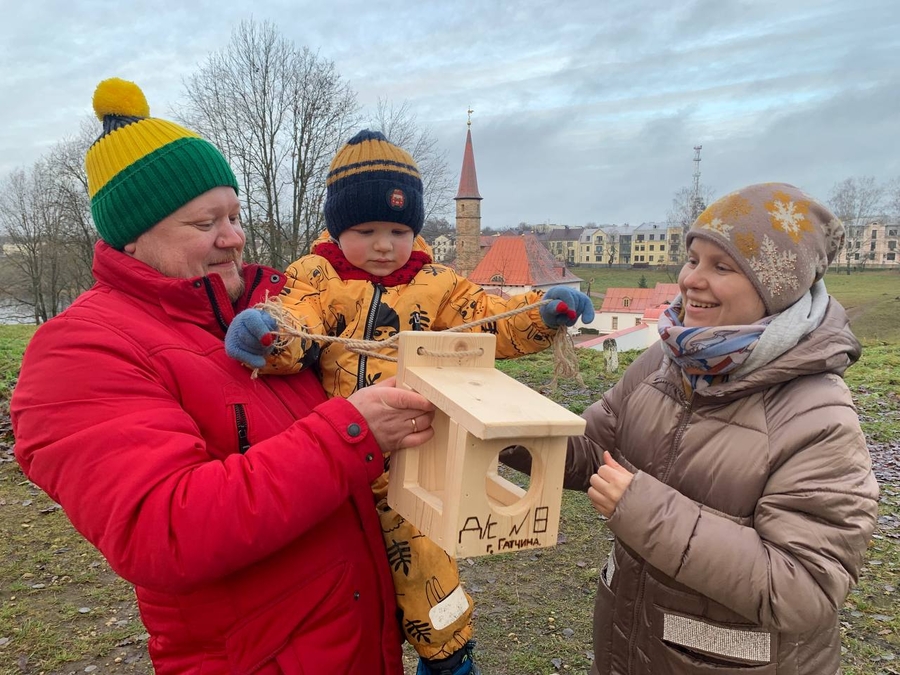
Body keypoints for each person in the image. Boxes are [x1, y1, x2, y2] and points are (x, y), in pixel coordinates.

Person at [11, 78, 439, 675]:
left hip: (356, 641)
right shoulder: (80, 351)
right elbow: (163, 530)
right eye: (205, 222)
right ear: (134, 236)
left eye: (235, 214)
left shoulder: (272, 318)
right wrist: (352, 432)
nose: (234, 237)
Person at [224, 129, 596, 675]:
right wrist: (270, 336)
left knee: (427, 566)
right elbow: (296, 322)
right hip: (339, 455)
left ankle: (449, 658)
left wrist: (541, 314)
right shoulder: (317, 278)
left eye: (398, 230)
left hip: (420, 455)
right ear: (337, 226)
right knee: (338, 578)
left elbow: (489, 316)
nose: (383, 245)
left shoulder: (436, 283)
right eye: (366, 230)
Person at [504, 183, 879, 674]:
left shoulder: (818, 416)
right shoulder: (667, 360)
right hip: (629, 644)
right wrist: (498, 430)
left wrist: (642, 508)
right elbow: (592, 449)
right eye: (693, 259)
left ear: (777, 287)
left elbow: (803, 588)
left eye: (722, 267)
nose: (691, 281)